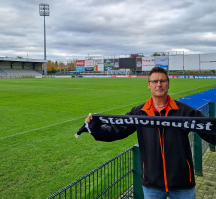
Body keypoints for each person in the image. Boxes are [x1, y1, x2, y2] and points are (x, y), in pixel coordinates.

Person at [85, 67, 216, 199]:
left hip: (182, 183)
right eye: (154, 81)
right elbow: (117, 130)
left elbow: (209, 130)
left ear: (168, 84)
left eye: (162, 81)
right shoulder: (139, 112)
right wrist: (96, 128)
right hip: (152, 184)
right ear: (149, 85)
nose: (159, 84)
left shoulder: (185, 112)